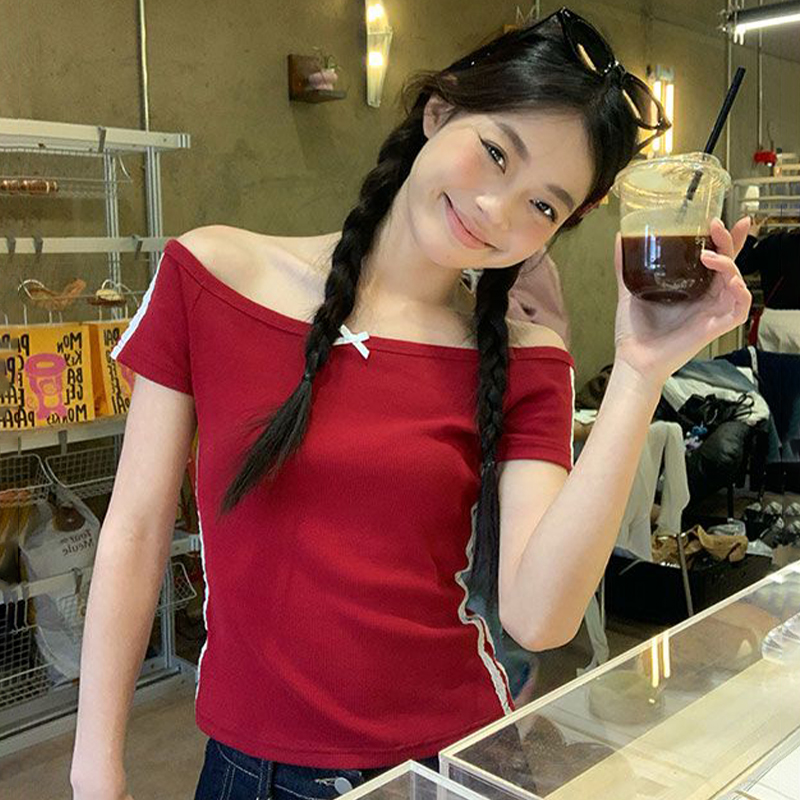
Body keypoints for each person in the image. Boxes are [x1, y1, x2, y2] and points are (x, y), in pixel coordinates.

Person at [69, 8, 752, 800]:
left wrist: (640, 372)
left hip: (451, 766)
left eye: (543, 206)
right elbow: (136, 528)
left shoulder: (527, 360)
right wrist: (95, 765)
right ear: (440, 108)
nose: (496, 210)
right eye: (496, 153)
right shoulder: (212, 277)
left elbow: (539, 619)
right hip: (252, 772)